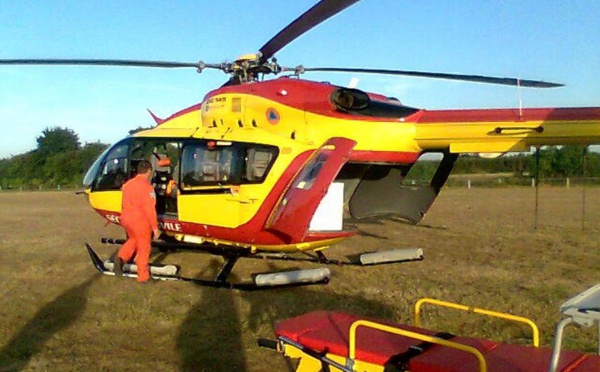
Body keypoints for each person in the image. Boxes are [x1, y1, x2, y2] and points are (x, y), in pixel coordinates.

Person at [113, 160, 161, 282]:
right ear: (149, 171)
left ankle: (120, 259)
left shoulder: (128, 184)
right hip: (140, 220)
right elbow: (150, 210)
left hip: (126, 217)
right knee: (144, 247)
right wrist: (155, 228)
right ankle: (143, 276)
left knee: (133, 239)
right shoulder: (147, 187)